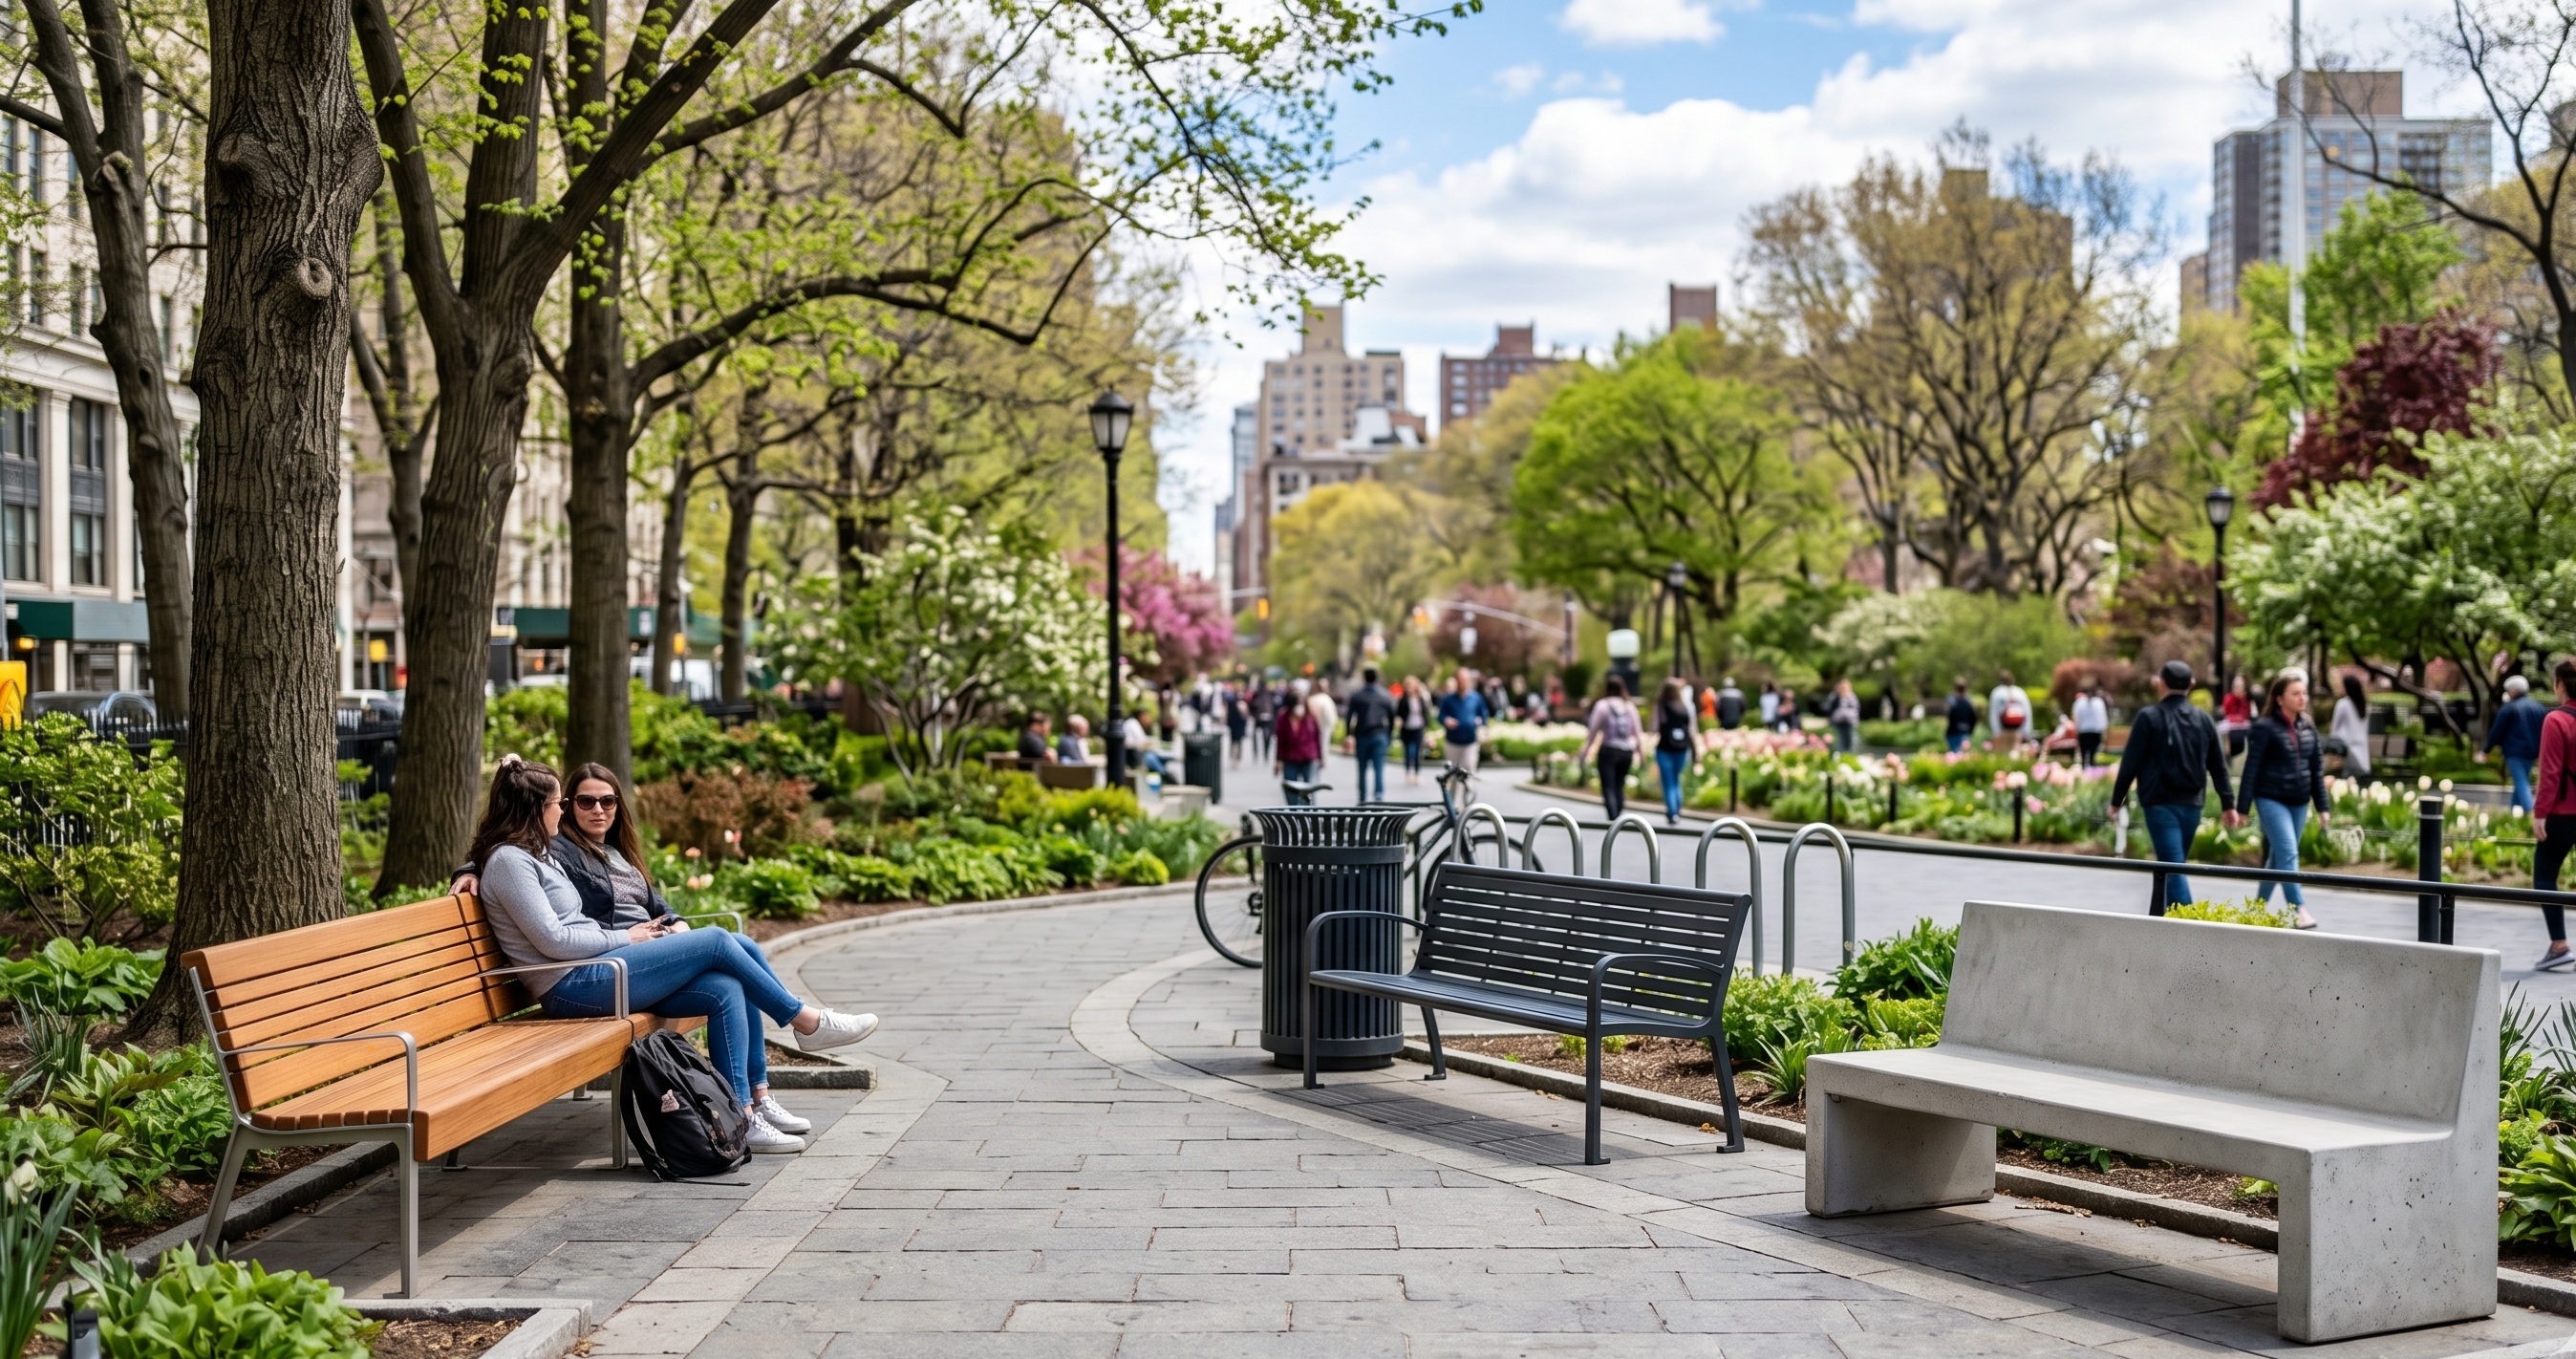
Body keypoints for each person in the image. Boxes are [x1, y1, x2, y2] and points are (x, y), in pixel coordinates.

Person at [464, 757, 875, 1155]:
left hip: (597, 970)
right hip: (572, 985)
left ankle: (743, 1114)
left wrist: (633, 935)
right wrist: (627, 937)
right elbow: (553, 939)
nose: (565, 810)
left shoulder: (535, 854)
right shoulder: (511, 861)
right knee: (718, 940)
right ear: (536, 809)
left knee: (726, 987)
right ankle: (805, 1021)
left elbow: (542, 903)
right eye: (561, 803)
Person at [2111, 660, 2241, 912]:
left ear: (2160, 683)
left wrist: (2117, 800)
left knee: (2172, 868)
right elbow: (2218, 766)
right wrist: (2228, 804)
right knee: (2172, 865)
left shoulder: (2148, 717)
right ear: (2192, 684)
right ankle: (2159, 919)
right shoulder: (2204, 720)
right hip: (2192, 803)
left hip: (2159, 802)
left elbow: (2130, 762)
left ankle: (2191, 926)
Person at [2237, 673, 2331, 928]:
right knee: (2288, 853)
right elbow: (2251, 769)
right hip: (2271, 799)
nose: (2302, 698)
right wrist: (2242, 808)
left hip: (2299, 801)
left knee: (2278, 858)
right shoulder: (2264, 728)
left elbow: (2316, 770)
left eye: (2304, 693)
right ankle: (2299, 910)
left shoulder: (2308, 727)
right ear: (2280, 699)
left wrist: (2322, 807)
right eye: (2295, 693)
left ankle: (2256, 910)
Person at [2529, 658, 2576, 971]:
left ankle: (2559, 945)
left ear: (2559, 684)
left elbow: (2550, 772)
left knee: (2545, 875)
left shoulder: (2556, 720)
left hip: (2562, 813)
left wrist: (2540, 813)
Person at [1580, 676, 1642, 821]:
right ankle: (1618, 815)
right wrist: (1641, 753)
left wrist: (1585, 751)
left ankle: (1613, 818)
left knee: (1608, 786)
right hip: (1626, 751)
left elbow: (1593, 731)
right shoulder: (1629, 707)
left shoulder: (1602, 705)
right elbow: (1637, 733)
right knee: (1619, 785)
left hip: (1609, 750)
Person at [2489, 674, 2549, 813]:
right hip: (2533, 752)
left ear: (2514, 690)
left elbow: (2497, 731)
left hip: (2514, 752)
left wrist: (2486, 750)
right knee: (2520, 782)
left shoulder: (2509, 708)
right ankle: (2514, 815)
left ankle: (2532, 813)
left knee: (2521, 783)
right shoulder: (2538, 707)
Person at [1651, 677, 1701, 825]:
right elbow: (1692, 730)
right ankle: (1677, 808)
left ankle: (1672, 812)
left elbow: (1654, 727)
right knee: (1676, 779)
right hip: (1681, 748)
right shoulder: (1684, 707)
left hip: (1665, 748)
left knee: (1668, 782)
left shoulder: (1661, 705)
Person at [1343, 666, 1396, 804]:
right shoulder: (1384, 695)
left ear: (1364, 678)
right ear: (1377, 678)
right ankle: (1378, 795)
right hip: (1379, 734)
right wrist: (1389, 734)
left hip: (1362, 734)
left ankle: (1362, 796)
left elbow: (1349, 716)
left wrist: (1348, 734)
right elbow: (1392, 716)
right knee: (1379, 767)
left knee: (1362, 768)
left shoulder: (1358, 695)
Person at [1437, 673, 1489, 785]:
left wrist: (1480, 721)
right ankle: (1454, 795)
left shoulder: (1475, 698)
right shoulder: (1448, 699)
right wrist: (1446, 720)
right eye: (1460, 680)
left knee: (1468, 768)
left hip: (1470, 741)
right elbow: (1440, 716)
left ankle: (1468, 794)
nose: (1462, 683)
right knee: (1453, 773)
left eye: (1465, 680)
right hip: (1453, 741)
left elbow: (1484, 714)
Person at [1275, 693, 1323, 803]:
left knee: (1309, 789)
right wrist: (1278, 760)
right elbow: (1280, 741)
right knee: (1290, 789)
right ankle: (1294, 811)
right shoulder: (1284, 718)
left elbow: (1317, 738)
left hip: (1309, 758)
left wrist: (1320, 758)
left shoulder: (1310, 718)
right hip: (1290, 758)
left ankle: (1309, 811)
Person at [2329, 674, 2372, 779]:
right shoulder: (2365, 705)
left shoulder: (2343, 704)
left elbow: (2335, 726)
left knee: (2347, 778)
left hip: (2347, 745)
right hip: (2362, 746)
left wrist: (2332, 743)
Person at [1397, 676, 1431, 785]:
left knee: (1417, 752)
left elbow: (1425, 712)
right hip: (1407, 728)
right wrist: (1399, 720)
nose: (1410, 688)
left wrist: (1426, 725)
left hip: (1418, 728)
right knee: (1407, 751)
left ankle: (1417, 774)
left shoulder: (1420, 698)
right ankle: (1408, 773)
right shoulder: (1403, 699)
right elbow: (1398, 712)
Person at [1987, 670, 2031, 751]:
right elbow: (2027, 713)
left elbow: (1994, 713)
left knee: (2002, 753)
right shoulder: (2020, 692)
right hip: (2017, 730)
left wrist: (1996, 732)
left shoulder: (1997, 693)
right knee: (2015, 751)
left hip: (2003, 730)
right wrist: (2026, 732)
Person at [2072, 684, 2111, 767]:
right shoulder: (2098, 702)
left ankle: (2087, 767)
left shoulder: (2080, 703)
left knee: (2087, 754)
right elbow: (2103, 718)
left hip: (2087, 732)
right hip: (2090, 731)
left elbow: (2075, 718)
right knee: (2089, 754)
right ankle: (2089, 767)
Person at [2220, 674, 2253, 761]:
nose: (2238, 689)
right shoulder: (2228, 698)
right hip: (2231, 726)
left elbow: (2247, 714)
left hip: (2243, 726)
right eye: (2237, 687)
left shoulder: (2246, 699)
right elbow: (2227, 713)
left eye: (2241, 687)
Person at [1826, 678, 1860, 753]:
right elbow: (1829, 707)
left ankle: (1850, 755)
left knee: (1852, 741)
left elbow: (1856, 709)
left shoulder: (1852, 697)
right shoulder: (1835, 696)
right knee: (1840, 741)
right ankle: (1840, 754)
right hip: (1838, 722)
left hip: (1849, 722)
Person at [1943, 680, 1978, 754]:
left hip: (1953, 731)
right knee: (1963, 754)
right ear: (1965, 689)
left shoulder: (1951, 701)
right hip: (1965, 731)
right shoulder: (1969, 702)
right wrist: (1971, 730)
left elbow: (1948, 715)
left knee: (1954, 755)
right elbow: (1974, 718)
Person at [1223, 685, 1250, 767]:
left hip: (1239, 725)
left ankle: (1237, 758)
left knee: (1238, 742)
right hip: (1235, 725)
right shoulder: (1233, 703)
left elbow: (1246, 716)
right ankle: (1233, 758)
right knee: (1234, 742)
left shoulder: (1243, 703)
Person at [1249, 682, 1277, 761]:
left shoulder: (1263, 695)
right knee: (1264, 737)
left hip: (1263, 718)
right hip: (1262, 718)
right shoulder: (1266, 695)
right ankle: (1261, 753)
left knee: (1263, 737)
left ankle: (1261, 753)